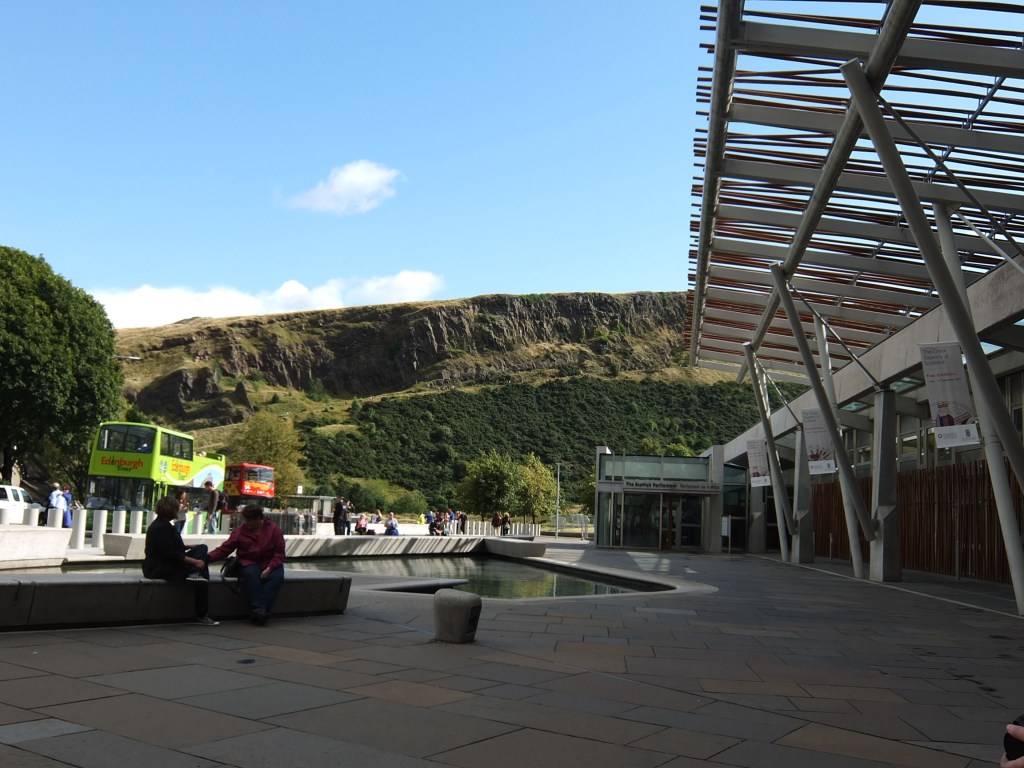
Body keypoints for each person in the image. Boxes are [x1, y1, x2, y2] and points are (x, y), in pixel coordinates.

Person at [142, 495, 219, 626]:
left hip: (163, 565)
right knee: (203, 571)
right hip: (162, 568)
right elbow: (170, 553)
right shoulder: (163, 527)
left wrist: (188, 547)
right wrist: (195, 562)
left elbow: (169, 547)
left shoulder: (161, 524)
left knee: (202, 549)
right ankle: (202, 613)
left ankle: (195, 575)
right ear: (172, 510)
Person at [208, 505, 285, 626]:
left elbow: (279, 553)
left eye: (249, 520)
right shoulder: (240, 531)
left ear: (259, 518)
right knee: (251, 575)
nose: (246, 523)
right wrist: (207, 559)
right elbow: (225, 549)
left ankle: (258, 611)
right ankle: (261, 612)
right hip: (249, 561)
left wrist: (270, 568)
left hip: (270, 562)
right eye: (246, 520)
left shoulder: (274, 530)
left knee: (277, 577)